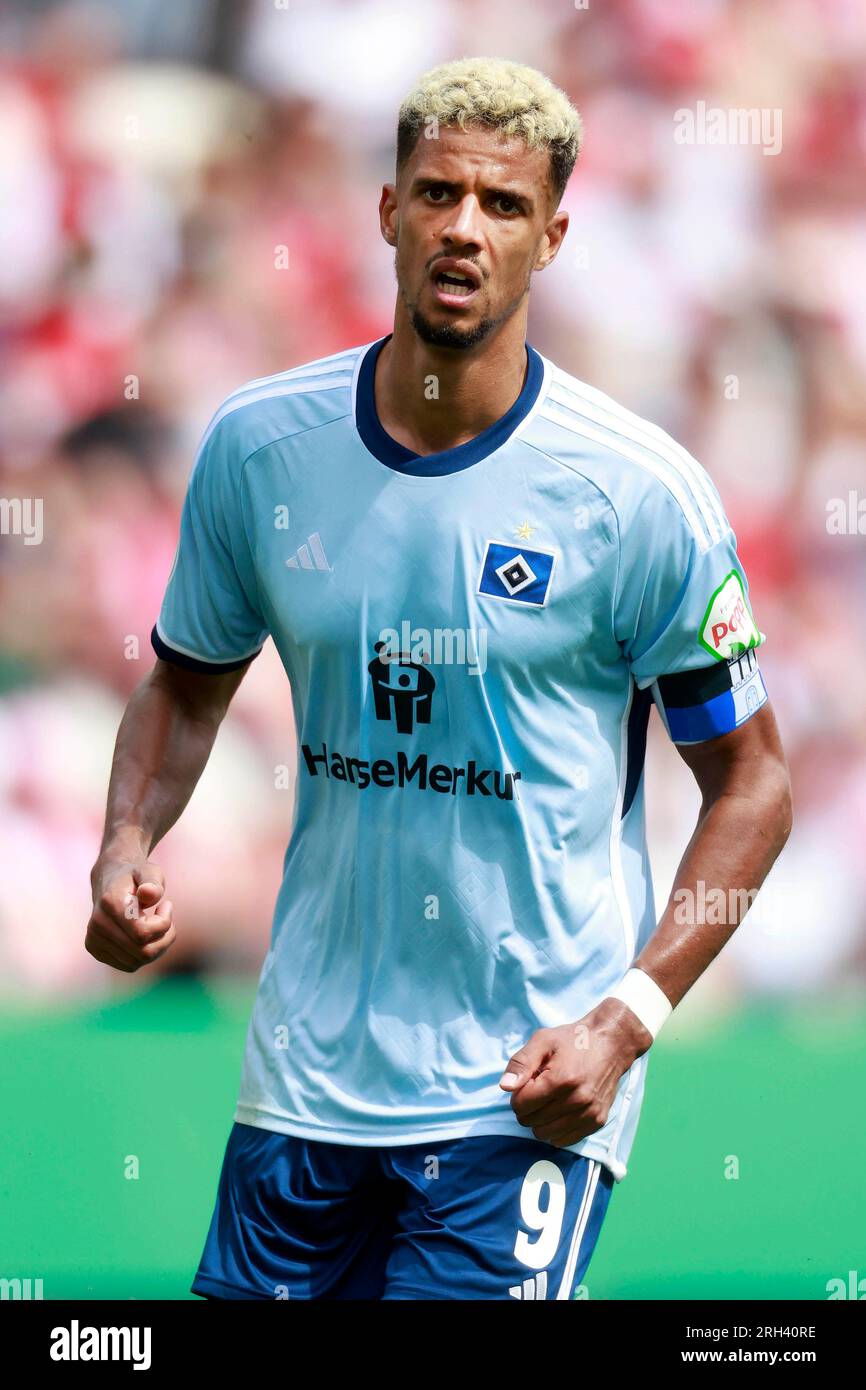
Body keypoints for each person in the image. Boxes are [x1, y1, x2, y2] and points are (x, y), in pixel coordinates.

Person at [86, 57, 792, 1301]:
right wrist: (123, 840)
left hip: (522, 1092)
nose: (465, 226)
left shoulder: (635, 494)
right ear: (387, 212)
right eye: (437, 193)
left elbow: (751, 784)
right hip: (302, 1080)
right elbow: (186, 682)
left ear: (553, 236)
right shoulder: (261, 448)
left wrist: (627, 1019)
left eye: (503, 205)